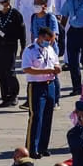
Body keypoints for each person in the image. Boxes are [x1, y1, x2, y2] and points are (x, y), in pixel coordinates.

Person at [25, 27, 66, 157]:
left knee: (48, 117)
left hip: (50, 85)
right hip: (37, 86)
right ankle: (32, 148)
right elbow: (27, 69)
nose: (48, 43)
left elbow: (56, 63)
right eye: (47, 40)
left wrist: (57, 68)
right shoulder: (30, 50)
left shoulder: (50, 49)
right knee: (36, 117)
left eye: (50, 41)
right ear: (41, 37)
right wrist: (47, 71)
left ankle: (43, 147)